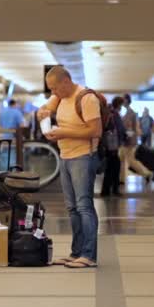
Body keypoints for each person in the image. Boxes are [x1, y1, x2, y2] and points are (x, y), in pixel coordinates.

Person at [37, 66, 100, 268]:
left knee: (84, 206)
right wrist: (42, 114)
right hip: (65, 156)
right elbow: (45, 109)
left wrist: (64, 132)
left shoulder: (86, 98)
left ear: (66, 82)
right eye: (50, 89)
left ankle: (89, 255)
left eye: (55, 88)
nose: (53, 93)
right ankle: (76, 253)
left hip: (82, 157)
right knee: (72, 208)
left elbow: (95, 130)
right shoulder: (59, 97)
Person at [120, 94, 153, 184]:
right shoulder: (126, 112)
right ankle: (121, 179)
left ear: (126, 101)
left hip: (128, 141)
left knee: (131, 161)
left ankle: (146, 174)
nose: (122, 101)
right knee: (122, 159)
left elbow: (131, 129)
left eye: (123, 99)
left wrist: (130, 139)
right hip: (125, 141)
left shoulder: (131, 113)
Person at [101, 96, 126, 196]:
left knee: (110, 168)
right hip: (112, 146)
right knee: (115, 168)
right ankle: (113, 190)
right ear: (119, 104)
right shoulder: (114, 114)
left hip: (109, 145)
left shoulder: (109, 113)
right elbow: (117, 130)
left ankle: (107, 190)